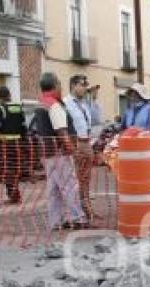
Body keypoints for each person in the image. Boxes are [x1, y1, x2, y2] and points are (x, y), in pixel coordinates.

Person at [31, 72, 87, 230]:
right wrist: (72, 150)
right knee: (70, 185)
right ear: (55, 85)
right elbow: (61, 131)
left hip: (47, 154)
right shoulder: (54, 105)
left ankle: (56, 221)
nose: (61, 87)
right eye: (60, 84)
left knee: (53, 189)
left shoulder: (41, 104)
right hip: (60, 153)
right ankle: (78, 218)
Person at [64, 74, 102, 221]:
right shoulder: (66, 103)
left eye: (86, 85)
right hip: (76, 143)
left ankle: (87, 208)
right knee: (76, 178)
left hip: (87, 142)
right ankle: (77, 211)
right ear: (73, 86)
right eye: (82, 85)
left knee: (86, 178)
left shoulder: (85, 104)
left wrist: (94, 99)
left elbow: (96, 120)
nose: (85, 88)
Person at [0, 86, 26, 204]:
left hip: (4, 145)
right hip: (18, 144)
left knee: (7, 169)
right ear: (9, 95)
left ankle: (14, 196)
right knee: (14, 169)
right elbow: (24, 127)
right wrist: (23, 142)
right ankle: (15, 194)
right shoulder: (18, 108)